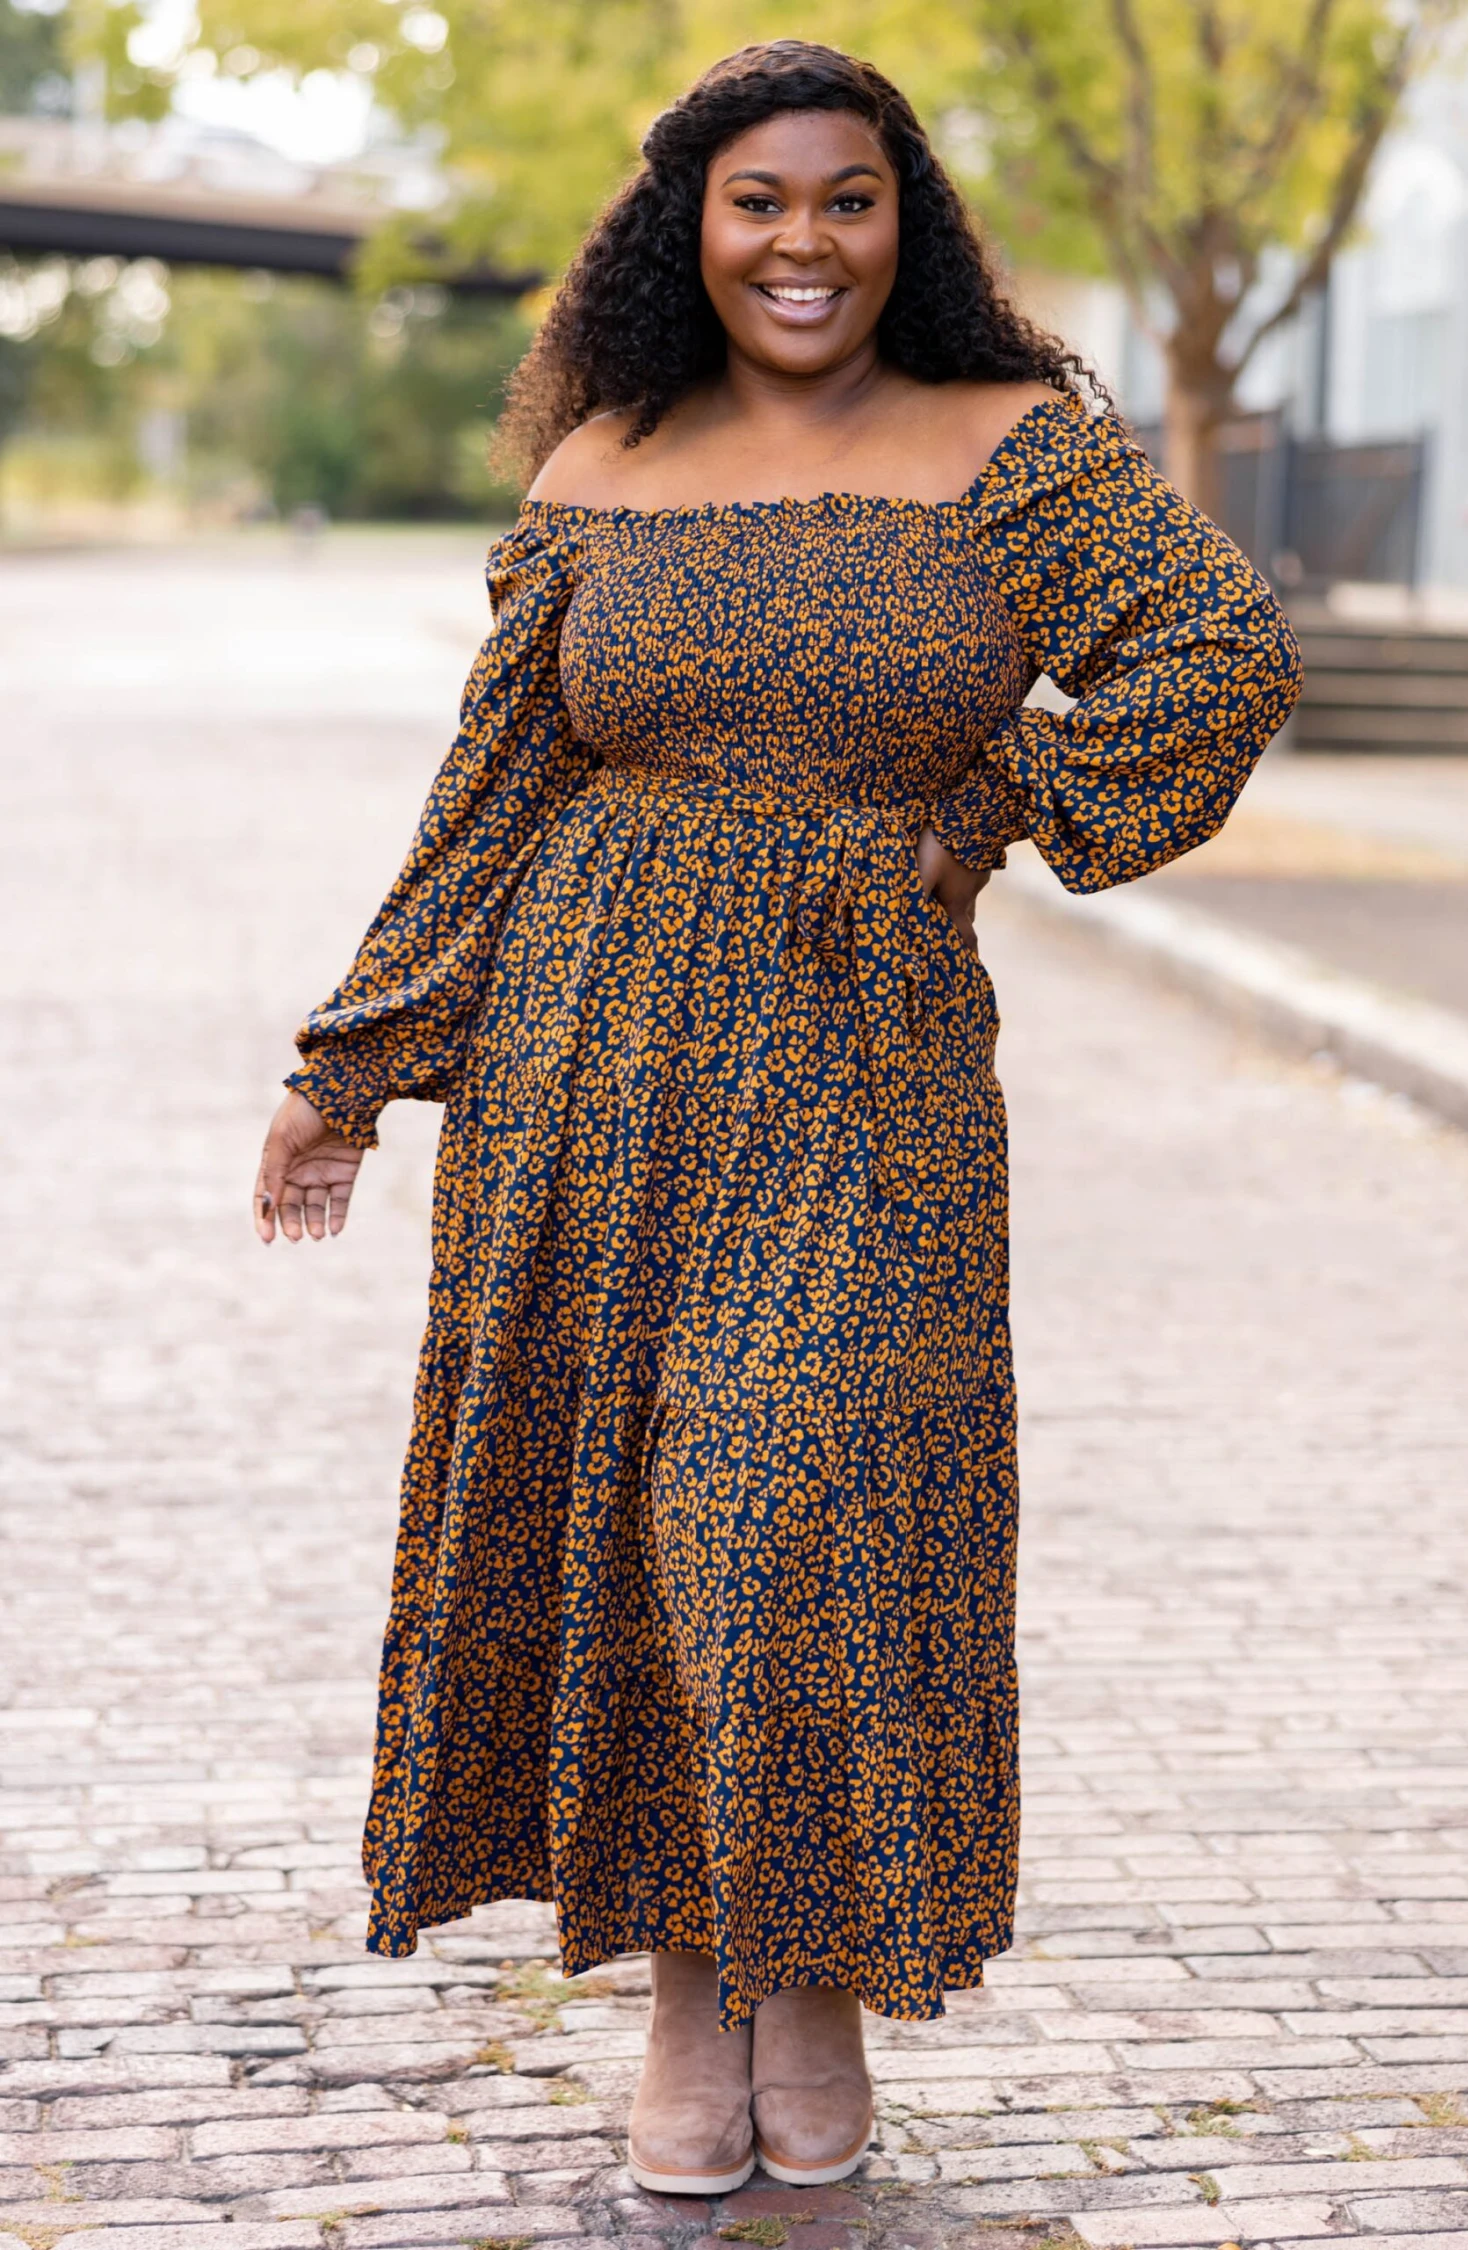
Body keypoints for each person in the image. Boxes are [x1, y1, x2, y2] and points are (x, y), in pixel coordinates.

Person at [252, 39, 1301, 2201]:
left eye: (847, 198)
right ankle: (687, 1994)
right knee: (636, 1536)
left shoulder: (1012, 446)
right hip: (591, 1068)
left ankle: (805, 1979)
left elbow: (1219, 653)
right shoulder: (602, 467)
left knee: (790, 1512)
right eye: (759, 201)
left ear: (905, 223)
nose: (802, 242)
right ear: (690, 229)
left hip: (865, 1065)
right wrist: (348, 1067)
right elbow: (494, 792)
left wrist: (997, 802)